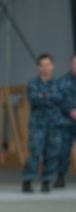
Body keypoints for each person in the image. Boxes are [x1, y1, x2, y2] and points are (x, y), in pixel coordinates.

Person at [21, 54, 63, 193]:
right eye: (42, 65)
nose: (45, 68)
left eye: (48, 64)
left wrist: (44, 95)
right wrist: (50, 97)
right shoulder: (33, 83)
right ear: (38, 67)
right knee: (35, 152)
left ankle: (46, 181)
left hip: (55, 124)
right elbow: (35, 100)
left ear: (52, 66)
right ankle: (27, 180)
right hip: (38, 124)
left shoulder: (59, 83)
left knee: (52, 153)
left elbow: (61, 98)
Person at [53, 54, 76, 188]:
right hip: (67, 122)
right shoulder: (62, 81)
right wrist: (71, 110)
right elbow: (59, 99)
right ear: (71, 64)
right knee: (64, 151)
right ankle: (60, 176)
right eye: (74, 63)